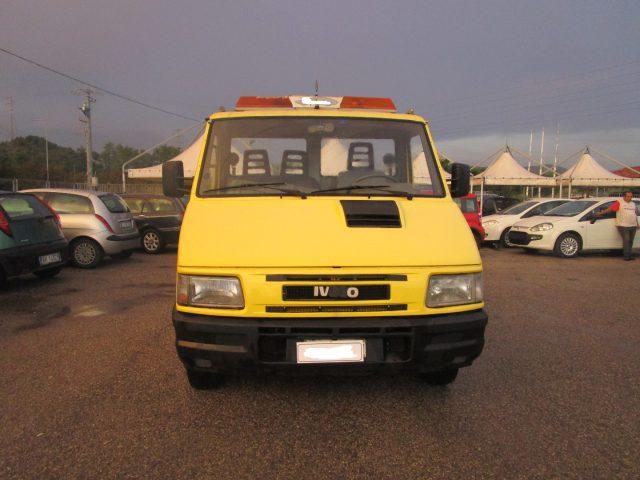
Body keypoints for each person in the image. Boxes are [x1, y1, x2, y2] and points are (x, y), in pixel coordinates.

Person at [596, 191, 639, 261]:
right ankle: (626, 256)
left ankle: (629, 255)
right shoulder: (619, 202)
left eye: (631, 196)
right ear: (624, 196)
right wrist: (601, 213)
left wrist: (637, 223)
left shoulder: (633, 204)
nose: (630, 198)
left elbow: (635, 214)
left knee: (631, 241)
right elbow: (610, 209)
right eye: (628, 196)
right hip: (623, 225)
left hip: (633, 225)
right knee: (626, 240)